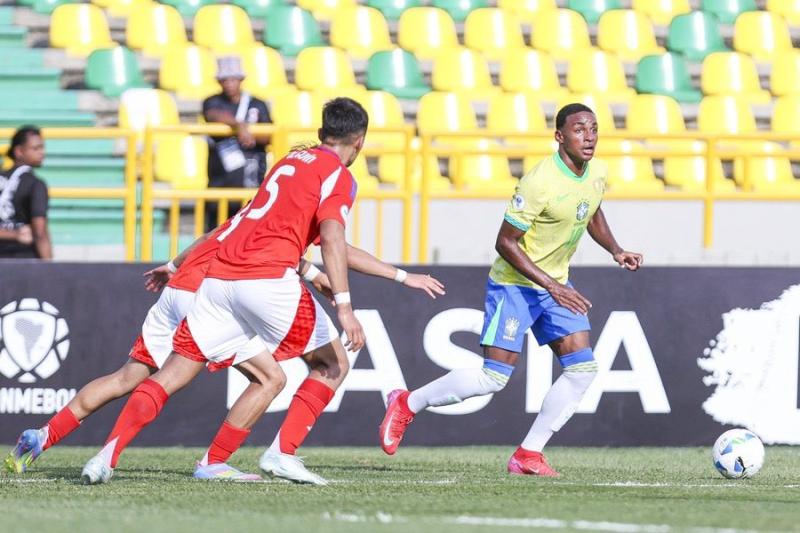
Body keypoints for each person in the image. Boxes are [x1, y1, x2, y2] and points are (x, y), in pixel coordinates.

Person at [78, 97, 369, 485]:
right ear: (359, 141)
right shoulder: (339, 176)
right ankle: (282, 454)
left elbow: (253, 224)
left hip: (219, 278)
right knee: (333, 364)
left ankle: (107, 457)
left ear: (321, 132)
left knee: (175, 374)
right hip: (268, 279)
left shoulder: (288, 162)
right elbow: (332, 237)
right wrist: (345, 307)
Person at [378, 103, 644, 477]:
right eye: (579, 130)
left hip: (555, 285)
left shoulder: (597, 171)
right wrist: (552, 286)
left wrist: (615, 249)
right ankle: (408, 403)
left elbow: (590, 209)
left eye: (594, 129)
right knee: (494, 378)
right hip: (515, 284)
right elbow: (505, 242)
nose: (589, 137)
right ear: (559, 136)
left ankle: (528, 454)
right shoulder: (539, 182)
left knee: (582, 369)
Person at [203, 56, 272, 231]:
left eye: (233, 79)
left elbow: (270, 135)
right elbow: (212, 115)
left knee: (248, 233)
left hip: (250, 182)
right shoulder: (213, 102)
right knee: (214, 234)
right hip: (220, 184)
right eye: (224, 79)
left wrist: (251, 135)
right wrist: (239, 126)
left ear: (241, 79)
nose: (229, 84)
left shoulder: (258, 104)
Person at [0, 125, 52, 259]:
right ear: (19, 151)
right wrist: (50, 267)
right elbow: (40, 233)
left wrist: (11, 234)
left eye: (42, 148)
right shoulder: (35, 184)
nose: (42, 153)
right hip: (22, 258)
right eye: (35, 148)